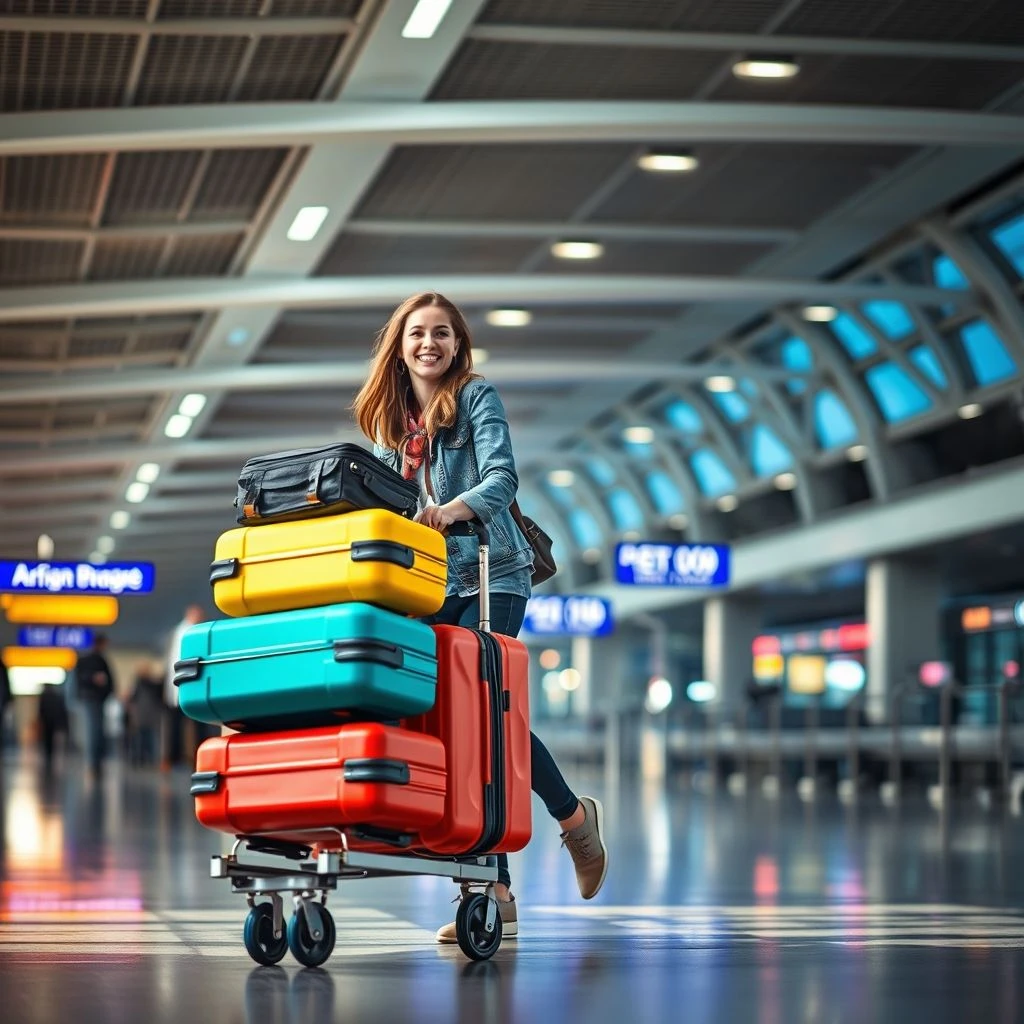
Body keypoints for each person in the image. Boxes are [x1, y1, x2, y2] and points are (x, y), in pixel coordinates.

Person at [353, 291, 609, 942]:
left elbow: (501, 478)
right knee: (457, 725)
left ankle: (563, 828)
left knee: (484, 714)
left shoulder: (475, 398)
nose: (429, 343)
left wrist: (450, 509)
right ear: (399, 346)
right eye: (417, 333)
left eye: (442, 332)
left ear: (457, 344)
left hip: (494, 572)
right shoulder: (391, 425)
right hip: (427, 581)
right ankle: (502, 883)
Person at [163, 604, 204, 770]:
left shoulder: (178, 632)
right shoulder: (190, 633)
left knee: (178, 725)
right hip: (187, 685)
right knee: (190, 724)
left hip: (178, 686)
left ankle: (177, 757)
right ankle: (189, 757)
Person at [75, 634, 115, 779]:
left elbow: (110, 681)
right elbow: (80, 680)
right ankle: (93, 763)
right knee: (93, 731)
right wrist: (94, 679)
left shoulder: (99, 660)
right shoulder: (89, 660)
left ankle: (96, 763)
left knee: (97, 731)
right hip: (90, 699)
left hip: (97, 699)